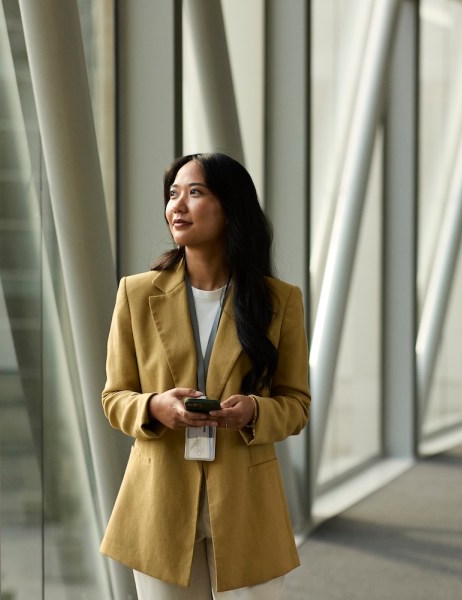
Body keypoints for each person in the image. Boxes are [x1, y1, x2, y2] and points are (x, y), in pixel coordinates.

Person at [100, 152, 310, 598]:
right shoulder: (135, 294)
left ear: (230, 207)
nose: (177, 205)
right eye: (172, 194)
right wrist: (154, 406)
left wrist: (254, 411)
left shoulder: (280, 301)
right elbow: (114, 397)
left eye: (194, 192)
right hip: (158, 503)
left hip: (247, 503)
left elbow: (297, 404)